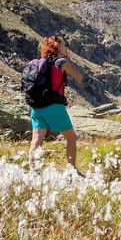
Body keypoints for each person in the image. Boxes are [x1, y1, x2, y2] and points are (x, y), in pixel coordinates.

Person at [28, 36, 83, 170]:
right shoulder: (61, 62)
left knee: (36, 141)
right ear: (57, 47)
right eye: (64, 46)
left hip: (36, 106)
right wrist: (67, 58)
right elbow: (79, 77)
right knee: (71, 138)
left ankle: (32, 173)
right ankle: (71, 171)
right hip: (54, 106)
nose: (66, 48)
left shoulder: (38, 62)